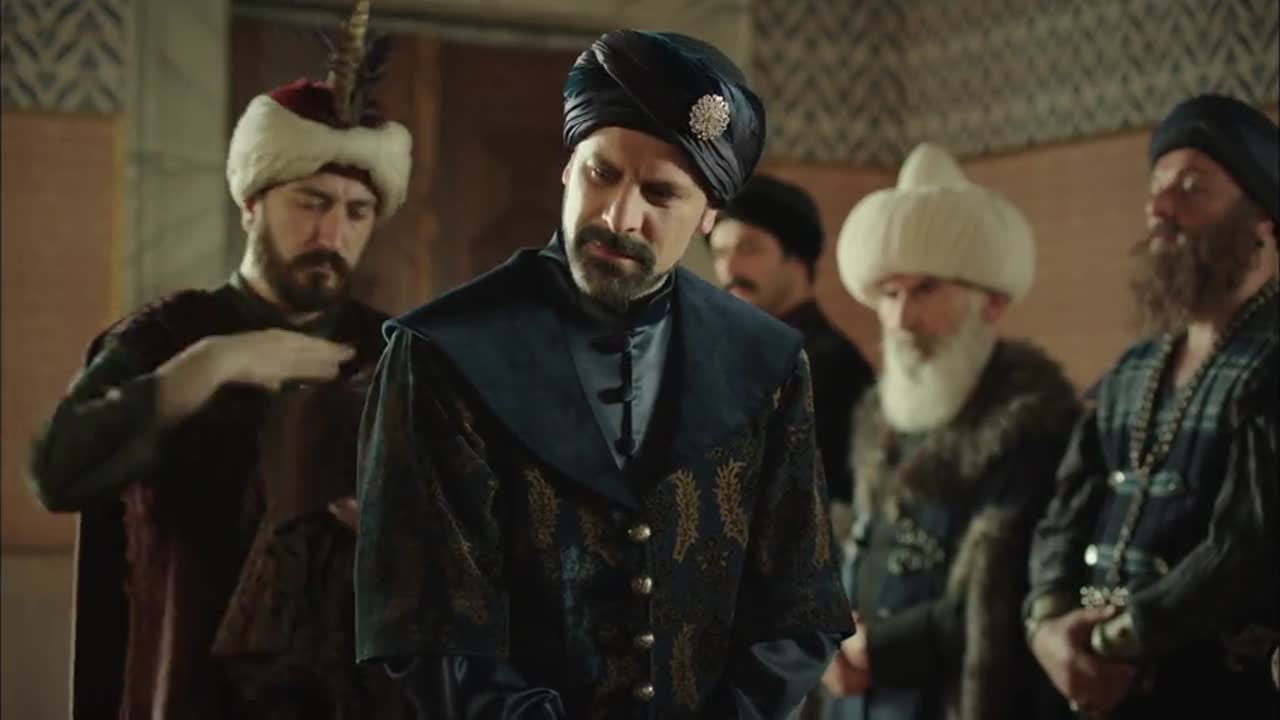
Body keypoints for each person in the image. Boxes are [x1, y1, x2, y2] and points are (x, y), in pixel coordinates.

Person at [353, 28, 852, 720]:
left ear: (708, 216)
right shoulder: (443, 353)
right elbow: (425, 623)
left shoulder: (766, 361)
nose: (620, 217)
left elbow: (800, 608)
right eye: (602, 174)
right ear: (568, 169)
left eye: (660, 193)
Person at [27, 2, 413, 716]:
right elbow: (57, 470)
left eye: (356, 212)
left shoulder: (398, 357)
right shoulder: (163, 339)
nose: (332, 233)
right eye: (311, 203)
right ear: (251, 205)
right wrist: (210, 367)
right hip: (185, 689)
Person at [1024, 93, 1280, 719]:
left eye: (1192, 187)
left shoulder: (1271, 364)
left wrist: (1120, 638)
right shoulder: (1132, 370)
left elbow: (1245, 549)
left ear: (1263, 223)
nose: (1160, 207)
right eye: (1157, 186)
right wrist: (1049, 625)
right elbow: (1065, 515)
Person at [821, 143, 1081, 720]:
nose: (901, 319)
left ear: (992, 305)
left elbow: (1009, 599)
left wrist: (878, 649)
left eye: (925, 291)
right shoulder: (878, 419)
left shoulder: (1032, 426)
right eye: (890, 295)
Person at [708, 174, 875, 534]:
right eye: (720, 253)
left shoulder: (828, 365)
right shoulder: (732, 354)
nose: (729, 269)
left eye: (748, 248)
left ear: (796, 258)